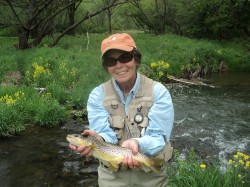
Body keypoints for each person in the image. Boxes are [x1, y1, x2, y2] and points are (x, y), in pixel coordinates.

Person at [69, 33, 174, 187]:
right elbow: (104, 133)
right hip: (111, 178)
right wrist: (99, 139)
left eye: (125, 57)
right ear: (106, 66)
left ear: (136, 59)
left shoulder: (158, 92)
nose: (119, 65)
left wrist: (137, 144)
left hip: (151, 177)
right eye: (112, 61)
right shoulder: (97, 96)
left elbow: (158, 137)